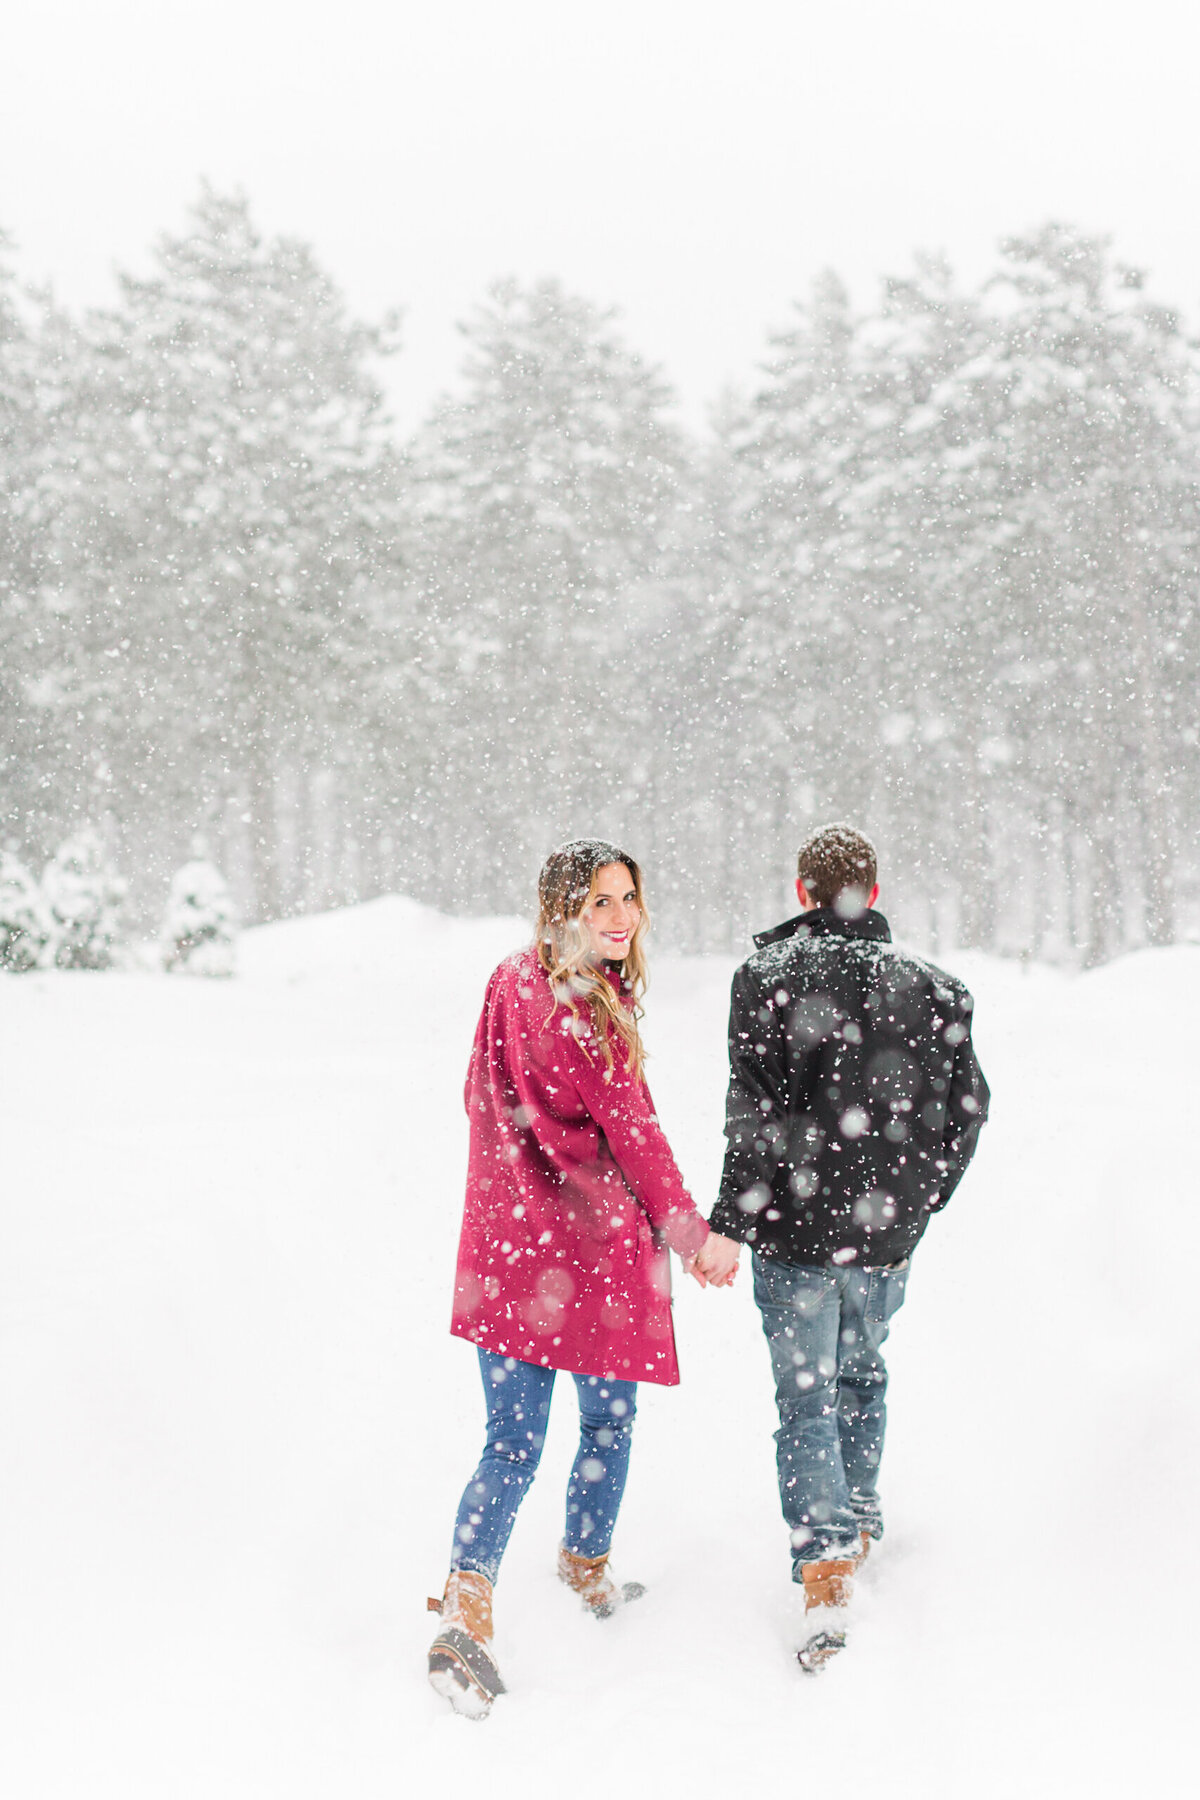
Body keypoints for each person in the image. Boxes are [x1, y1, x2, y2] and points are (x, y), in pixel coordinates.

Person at [427, 839, 727, 1718]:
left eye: (628, 898)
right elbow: (638, 1138)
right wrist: (694, 1237)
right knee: (606, 1419)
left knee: (510, 1441)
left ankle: (468, 1599)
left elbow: (479, 1095)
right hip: (588, 1261)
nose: (621, 917)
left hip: (510, 1252)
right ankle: (584, 1570)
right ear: (563, 909)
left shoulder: (507, 977)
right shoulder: (588, 1009)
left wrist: (516, 1180)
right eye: (599, 902)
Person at [704, 823, 989, 1671]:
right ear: (873, 889)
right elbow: (968, 1109)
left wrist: (732, 1219)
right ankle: (857, 1516)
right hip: (886, 1235)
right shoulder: (936, 988)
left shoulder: (765, 977)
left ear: (802, 893)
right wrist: (922, 1199)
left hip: (795, 1229)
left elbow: (750, 1112)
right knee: (863, 1372)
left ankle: (826, 1564)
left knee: (807, 1398)